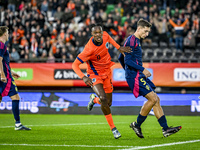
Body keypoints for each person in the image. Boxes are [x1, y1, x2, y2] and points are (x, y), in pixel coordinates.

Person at [118, 19, 181, 138]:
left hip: (136, 74)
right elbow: (127, 60)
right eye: (145, 31)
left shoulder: (134, 40)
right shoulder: (132, 41)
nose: (147, 34)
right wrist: (141, 69)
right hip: (135, 75)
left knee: (156, 99)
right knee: (152, 98)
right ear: (139, 29)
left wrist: (128, 70)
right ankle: (137, 124)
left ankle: (165, 129)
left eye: (148, 32)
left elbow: (120, 57)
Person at [72, 24, 131, 139]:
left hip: (107, 72)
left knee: (108, 103)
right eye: (96, 33)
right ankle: (113, 129)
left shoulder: (105, 35)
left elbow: (110, 39)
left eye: (100, 32)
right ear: (92, 35)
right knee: (103, 99)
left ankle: (94, 99)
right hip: (94, 75)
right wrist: (83, 77)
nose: (99, 35)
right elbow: (74, 65)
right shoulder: (89, 49)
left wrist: (119, 48)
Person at [0, 26, 31, 130]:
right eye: (7, 32)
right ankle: (18, 124)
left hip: (6, 74)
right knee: (15, 97)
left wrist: (12, 72)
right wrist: (3, 75)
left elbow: (4, 62)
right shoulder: (1, 45)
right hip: (5, 77)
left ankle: (18, 124)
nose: (8, 34)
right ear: (4, 34)